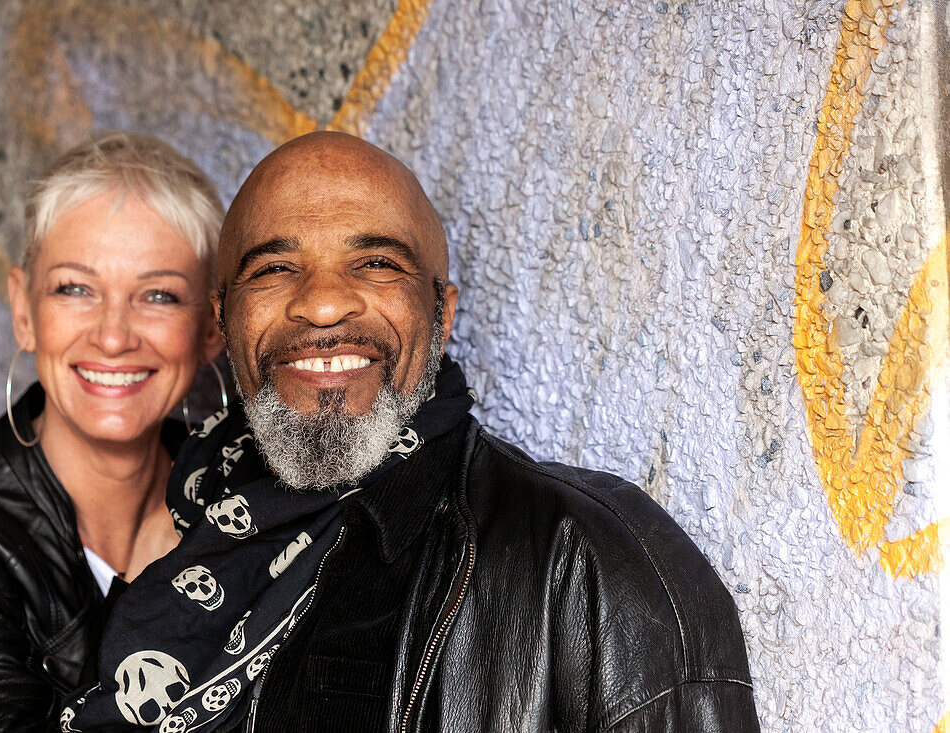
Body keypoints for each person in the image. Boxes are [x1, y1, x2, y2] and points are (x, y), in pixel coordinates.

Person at [64, 131, 759, 732]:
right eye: (275, 268)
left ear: (441, 313)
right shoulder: (182, 531)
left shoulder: (590, 563)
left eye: (376, 262)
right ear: (223, 317)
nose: (324, 301)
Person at [0, 132, 226, 731]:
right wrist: (147, 599)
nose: (113, 335)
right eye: (75, 288)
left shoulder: (236, 502)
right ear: (24, 311)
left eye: (158, 295)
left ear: (211, 326)